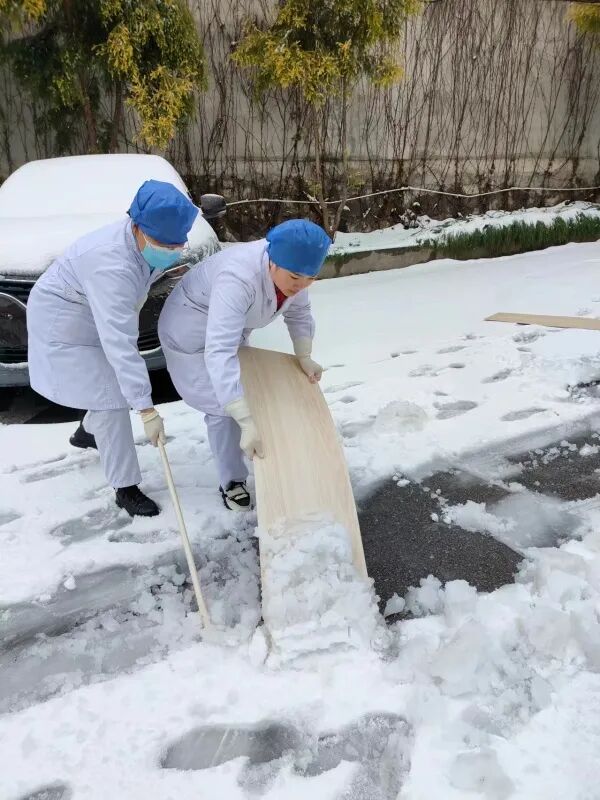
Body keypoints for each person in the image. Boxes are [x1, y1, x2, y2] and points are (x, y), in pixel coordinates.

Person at [26, 179, 198, 517]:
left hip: (88, 309)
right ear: (136, 225)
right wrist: (146, 410)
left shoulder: (143, 241)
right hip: (61, 320)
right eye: (161, 243)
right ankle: (125, 487)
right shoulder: (110, 264)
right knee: (110, 396)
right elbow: (121, 344)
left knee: (106, 385)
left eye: (176, 244)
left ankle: (86, 433)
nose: (169, 250)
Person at [158, 218, 331, 511]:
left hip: (229, 332)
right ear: (273, 262)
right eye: (294, 278)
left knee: (249, 391)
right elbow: (219, 351)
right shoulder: (238, 278)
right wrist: (244, 418)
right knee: (222, 407)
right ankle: (232, 482)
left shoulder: (295, 270)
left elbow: (299, 313)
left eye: (309, 279)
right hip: (190, 333)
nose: (300, 286)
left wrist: (304, 355)